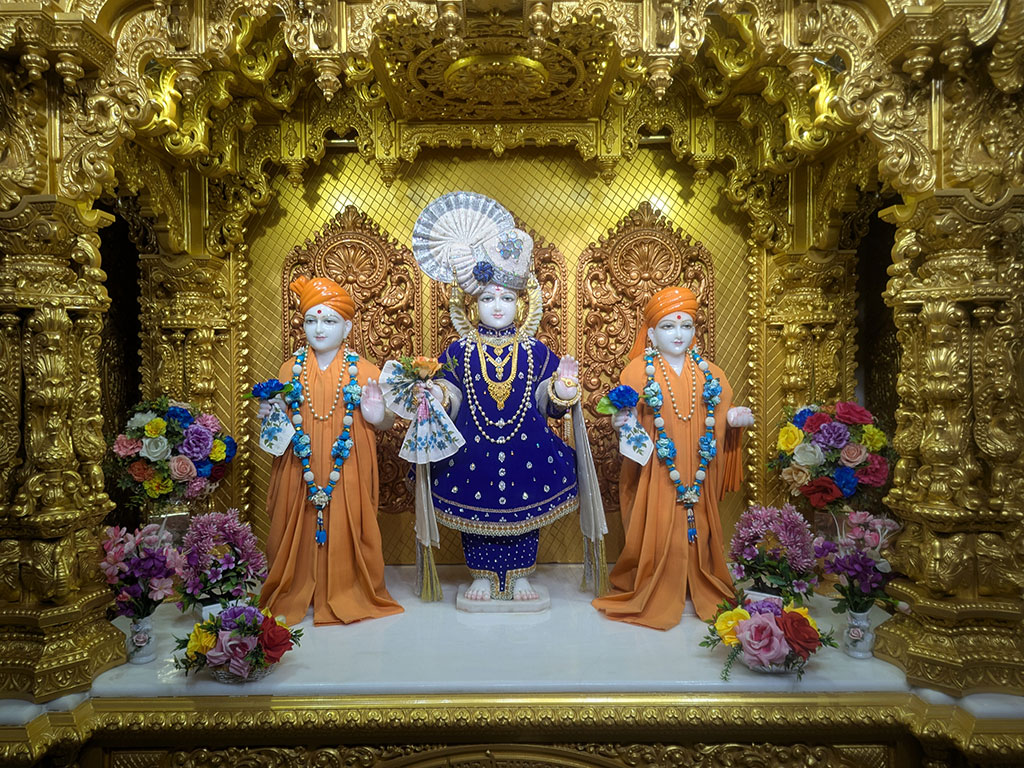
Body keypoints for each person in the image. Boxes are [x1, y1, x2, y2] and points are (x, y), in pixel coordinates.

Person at [409, 191, 606, 603]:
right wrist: (437, 396)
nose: (496, 306)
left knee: (525, 509)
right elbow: (452, 390)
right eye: (486, 298)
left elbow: (544, 399)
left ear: (521, 303)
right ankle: (481, 574)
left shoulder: (535, 350)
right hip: (472, 447)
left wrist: (563, 390)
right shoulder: (461, 350)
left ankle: (519, 576)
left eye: (505, 298)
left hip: (526, 446)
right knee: (474, 514)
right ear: (471, 305)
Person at [592, 286, 753, 629]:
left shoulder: (712, 373)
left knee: (701, 525)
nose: (678, 335)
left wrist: (734, 420)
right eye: (668, 327)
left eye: (686, 326)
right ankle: (657, 579)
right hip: (658, 468)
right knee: (658, 520)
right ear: (650, 333)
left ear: (696, 331)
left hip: (698, 466)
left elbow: (721, 411)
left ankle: (698, 578)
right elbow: (625, 418)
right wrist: (620, 421)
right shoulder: (637, 372)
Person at [258, 276, 403, 625]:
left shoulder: (365, 370)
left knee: (349, 520)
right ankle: (297, 586)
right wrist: (271, 413)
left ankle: (347, 587)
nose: (319, 329)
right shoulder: (288, 369)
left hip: (347, 464)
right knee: (298, 521)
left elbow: (387, 422)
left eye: (329, 321)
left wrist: (377, 415)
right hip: (300, 466)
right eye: (311, 320)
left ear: (347, 325)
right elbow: (277, 426)